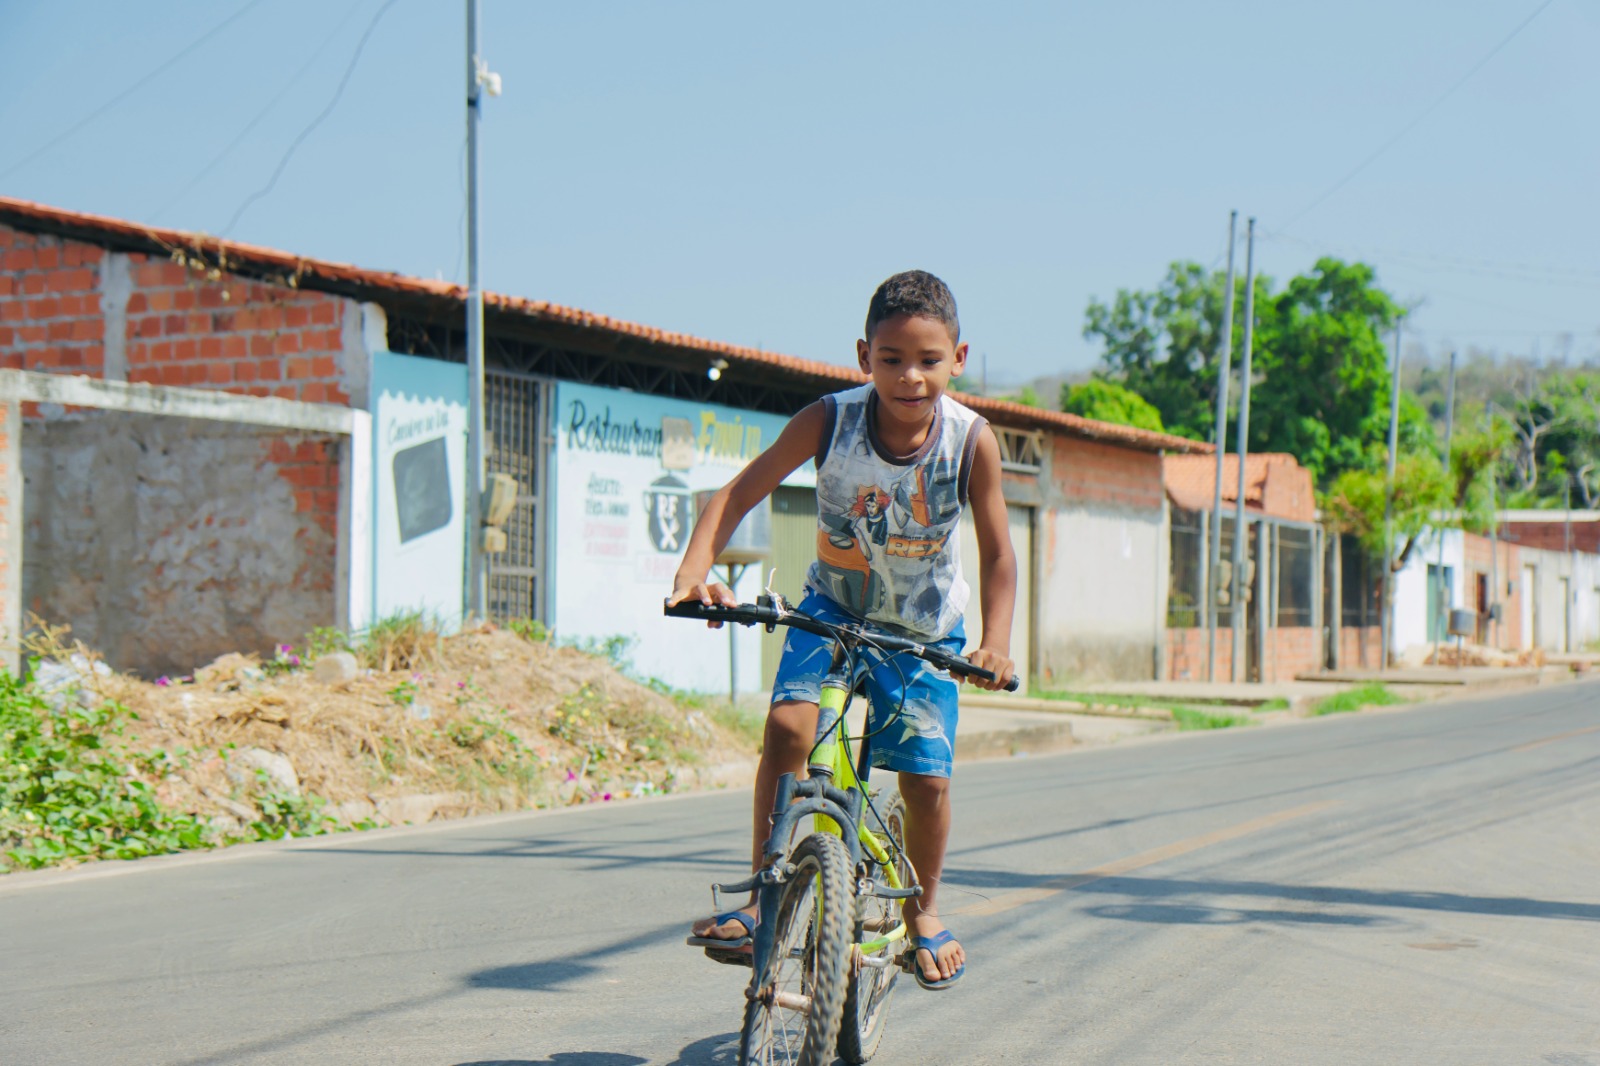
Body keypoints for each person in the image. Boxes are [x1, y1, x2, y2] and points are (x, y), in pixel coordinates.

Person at [666, 269, 1016, 991]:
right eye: (891, 359)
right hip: (830, 609)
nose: (910, 376)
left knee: (925, 783)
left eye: (928, 360)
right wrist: (690, 573)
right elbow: (737, 493)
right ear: (864, 356)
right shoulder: (829, 420)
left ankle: (923, 911)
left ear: (959, 357)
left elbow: (999, 554)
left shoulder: (971, 442)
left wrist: (996, 643)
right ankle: (765, 899)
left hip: (924, 630)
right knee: (789, 733)